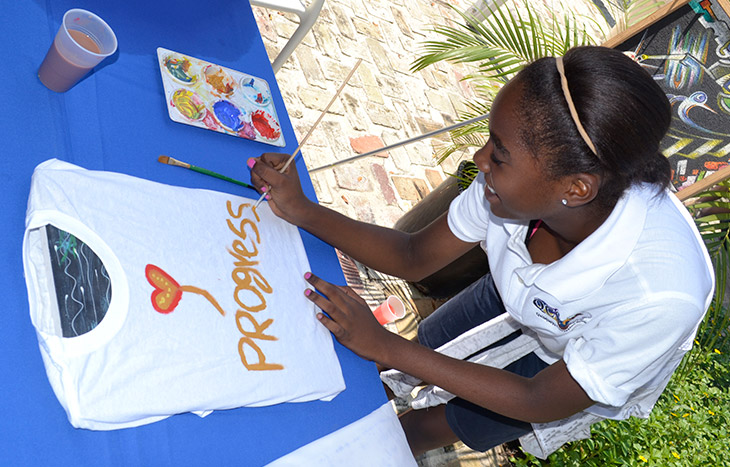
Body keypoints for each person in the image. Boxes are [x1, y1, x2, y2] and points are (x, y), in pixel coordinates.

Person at [247, 46, 714, 456]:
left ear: (574, 188)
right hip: (517, 292)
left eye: (500, 153)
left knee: (446, 421)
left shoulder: (660, 297)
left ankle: (357, 447)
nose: (480, 159)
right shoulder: (513, 188)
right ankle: (344, 413)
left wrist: (383, 343)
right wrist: (302, 210)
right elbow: (413, 256)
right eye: (491, 139)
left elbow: (537, 399)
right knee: (418, 351)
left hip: (573, 356)